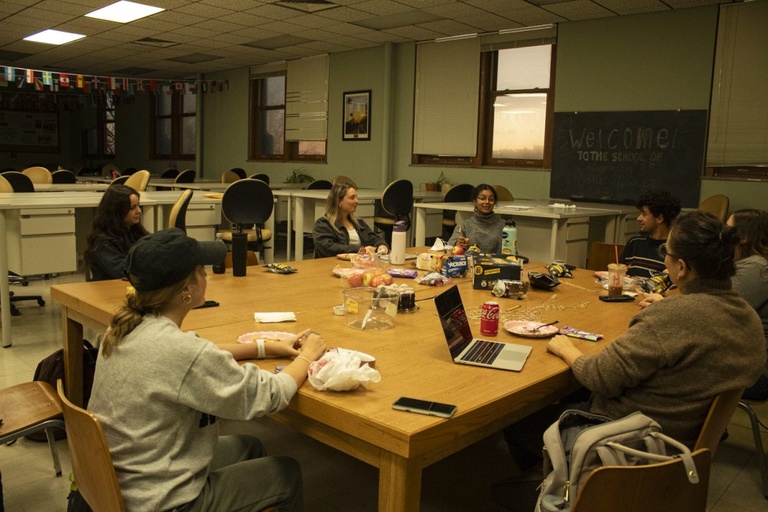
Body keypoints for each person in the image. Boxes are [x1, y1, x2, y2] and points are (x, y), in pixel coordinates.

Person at [502, 212, 764, 480]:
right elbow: (696, 324)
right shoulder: (746, 316)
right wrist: (671, 308)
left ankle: (555, 485)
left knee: (513, 419)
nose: (664, 260)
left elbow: (600, 377)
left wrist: (565, 348)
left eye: (667, 253)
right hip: (680, 441)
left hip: (625, 441)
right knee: (570, 396)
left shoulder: (672, 317)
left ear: (682, 267)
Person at [87, 228, 327, 512]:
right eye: (201, 271)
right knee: (286, 472)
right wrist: (307, 356)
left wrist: (263, 347)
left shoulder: (124, 326)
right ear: (186, 290)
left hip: (129, 476)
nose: (207, 277)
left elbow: (194, 355)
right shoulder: (180, 352)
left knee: (249, 446)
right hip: (160, 501)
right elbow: (268, 395)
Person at [83, 184, 148, 281]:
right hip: (109, 291)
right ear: (117, 210)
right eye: (132, 208)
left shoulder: (133, 231)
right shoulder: (102, 242)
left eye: (138, 206)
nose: (139, 211)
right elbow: (124, 270)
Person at [312, 181, 388, 258]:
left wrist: (381, 245)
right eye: (352, 198)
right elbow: (328, 248)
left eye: (356, 197)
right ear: (339, 201)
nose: (356, 201)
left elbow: (375, 238)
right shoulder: (323, 224)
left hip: (358, 266)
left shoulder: (359, 223)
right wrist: (360, 250)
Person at [619, 190, 681, 278]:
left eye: (644, 214)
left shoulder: (675, 249)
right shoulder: (634, 243)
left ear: (659, 218)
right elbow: (618, 274)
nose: (638, 218)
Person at [447, 184, 505, 254]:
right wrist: (457, 244)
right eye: (482, 198)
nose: (487, 202)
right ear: (474, 201)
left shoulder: (504, 226)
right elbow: (450, 246)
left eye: (491, 199)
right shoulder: (464, 225)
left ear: (494, 202)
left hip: (497, 263)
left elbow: (512, 253)